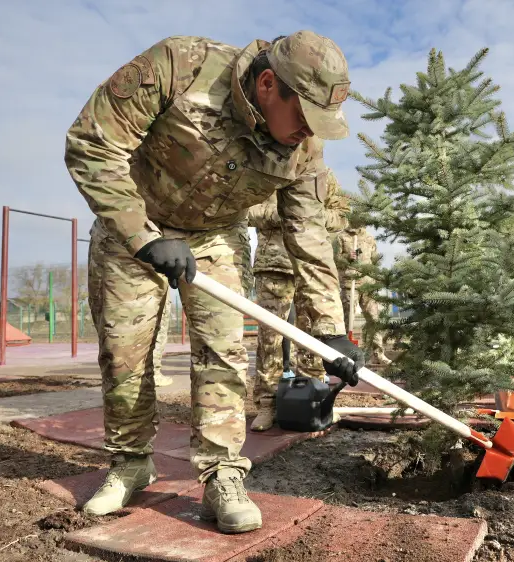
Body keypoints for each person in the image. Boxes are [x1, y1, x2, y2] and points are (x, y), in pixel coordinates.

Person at [65, 30, 364, 534]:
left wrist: (330, 329)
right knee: (125, 352)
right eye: (305, 118)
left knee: (222, 352)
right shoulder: (182, 66)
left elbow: (308, 236)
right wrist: (143, 235)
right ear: (269, 83)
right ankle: (131, 462)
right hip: (134, 224)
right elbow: (94, 144)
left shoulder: (304, 152)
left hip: (215, 238)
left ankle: (223, 472)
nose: (307, 134)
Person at [246, 166, 350, 431]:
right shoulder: (267, 169)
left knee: (314, 337)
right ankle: (267, 404)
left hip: (310, 265)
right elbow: (247, 211)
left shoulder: (324, 175)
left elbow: (342, 218)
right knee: (269, 338)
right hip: (274, 266)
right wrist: (284, 213)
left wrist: (310, 216)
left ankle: (315, 400)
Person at [336, 222, 392, 365]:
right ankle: (345, 353)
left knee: (374, 318)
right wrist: (348, 257)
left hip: (368, 284)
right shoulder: (341, 237)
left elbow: (374, 259)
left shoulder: (369, 238)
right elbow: (335, 260)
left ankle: (378, 354)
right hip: (350, 284)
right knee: (347, 319)